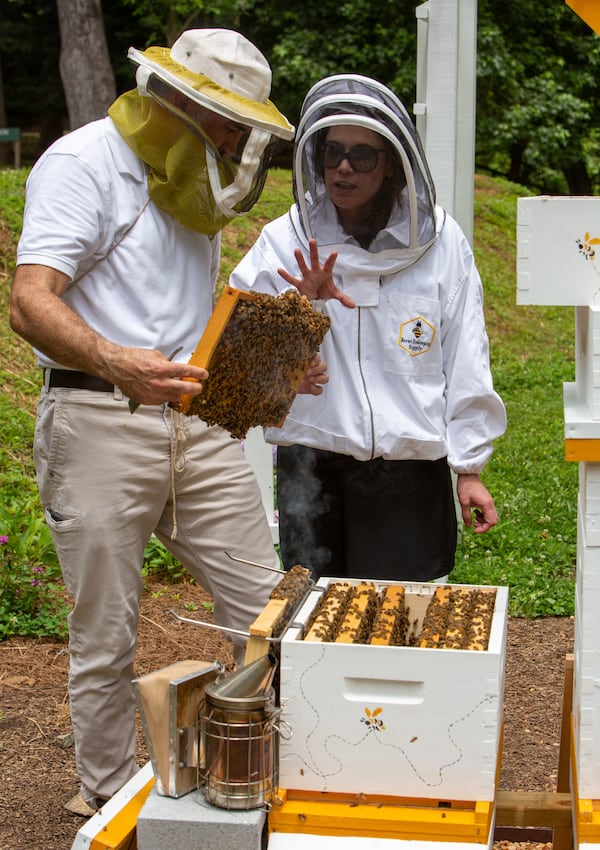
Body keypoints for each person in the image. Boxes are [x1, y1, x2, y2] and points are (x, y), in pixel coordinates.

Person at [9, 28, 302, 815]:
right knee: (105, 636)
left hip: (196, 428)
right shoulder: (81, 163)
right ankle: (106, 802)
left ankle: (262, 776)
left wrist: (271, 366)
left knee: (273, 613)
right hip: (98, 419)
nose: (238, 141)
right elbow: (30, 301)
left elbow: (183, 318)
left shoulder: (188, 182)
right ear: (177, 103)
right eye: (228, 123)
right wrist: (115, 360)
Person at [230, 74, 507, 583]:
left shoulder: (442, 245)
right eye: (331, 152)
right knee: (312, 624)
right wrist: (301, 306)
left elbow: (467, 356)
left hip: (410, 470)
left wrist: (468, 469)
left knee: (405, 623)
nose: (342, 168)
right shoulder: (282, 243)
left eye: (362, 156)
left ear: (394, 167)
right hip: (311, 462)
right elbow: (239, 356)